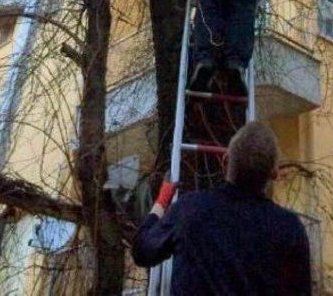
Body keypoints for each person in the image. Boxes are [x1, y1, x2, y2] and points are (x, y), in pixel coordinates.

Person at [132, 121, 312, 296]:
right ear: (275, 173)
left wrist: (161, 202)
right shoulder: (290, 229)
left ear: (225, 160)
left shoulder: (190, 209)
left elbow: (142, 251)